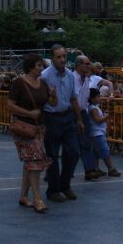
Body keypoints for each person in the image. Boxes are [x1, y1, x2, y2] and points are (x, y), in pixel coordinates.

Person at [7, 53, 53, 214]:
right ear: (31, 67)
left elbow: (51, 102)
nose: (42, 68)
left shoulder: (43, 83)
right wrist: (28, 113)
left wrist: (53, 96)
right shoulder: (19, 83)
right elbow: (10, 105)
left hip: (39, 127)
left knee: (30, 161)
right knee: (34, 161)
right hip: (24, 128)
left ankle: (24, 196)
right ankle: (38, 198)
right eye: (39, 65)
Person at [41, 44, 82, 202]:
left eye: (64, 56)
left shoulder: (70, 75)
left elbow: (73, 98)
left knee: (73, 152)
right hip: (51, 117)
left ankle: (65, 185)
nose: (62, 60)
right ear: (52, 58)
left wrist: (79, 119)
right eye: (58, 57)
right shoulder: (44, 76)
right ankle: (53, 190)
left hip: (67, 116)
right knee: (52, 155)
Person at [73, 55, 99, 181]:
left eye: (89, 63)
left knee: (86, 141)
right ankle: (57, 172)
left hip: (83, 112)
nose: (89, 66)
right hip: (72, 113)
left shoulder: (86, 79)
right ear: (79, 65)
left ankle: (90, 169)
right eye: (87, 63)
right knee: (70, 145)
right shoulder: (72, 78)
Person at [87, 88, 120, 178]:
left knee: (96, 152)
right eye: (98, 97)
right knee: (105, 150)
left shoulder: (95, 107)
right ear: (92, 98)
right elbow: (97, 120)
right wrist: (106, 116)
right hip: (97, 133)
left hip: (97, 133)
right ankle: (111, 168)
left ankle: (96, 169)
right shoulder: (93, 108)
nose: (100, 98)